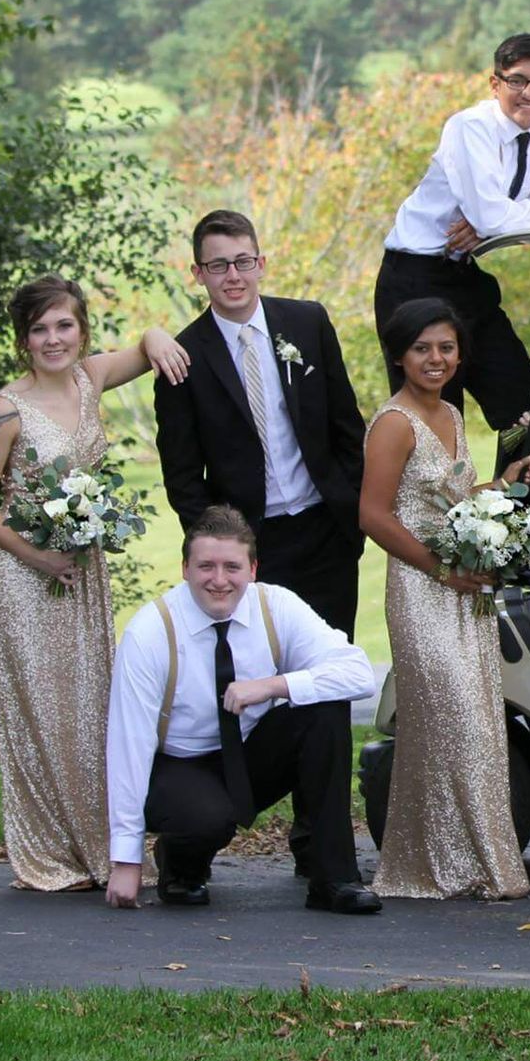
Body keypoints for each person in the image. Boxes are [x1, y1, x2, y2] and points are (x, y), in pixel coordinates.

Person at [0, 275, 190, 892]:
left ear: (81, 328)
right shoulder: (5, 408)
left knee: (92, 707)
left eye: (64, 325)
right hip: (21, 575)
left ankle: (99, 846)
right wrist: (37, 557)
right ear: (23, 340)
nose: (53, 339)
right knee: (40, 709)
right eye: (39, 329)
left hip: (81, 572)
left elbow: (148, 347)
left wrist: (155, 331)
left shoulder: (91, 379)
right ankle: (48, 854)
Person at [156, 208, 367, 875]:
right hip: (249, 554)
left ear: (261, 262)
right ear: (199, 274)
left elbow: (346, 425)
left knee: (326, 691)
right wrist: (223, 551)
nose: (233, 275)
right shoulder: (184, 357)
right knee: (246, 692)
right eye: (218, 265)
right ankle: (200, 830)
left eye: (243, 260)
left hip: (323, 536)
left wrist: (349, 517)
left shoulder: (306, 322)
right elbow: (183, 478)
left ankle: (322, 852)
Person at [104, 506, 381, 915]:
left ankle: (333, 878)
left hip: (250, 754)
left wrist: (274, 685)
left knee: (323, 709)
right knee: (204, 819)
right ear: (184, 568)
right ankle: (180, 865)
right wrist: (125, 861)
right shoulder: (150, 632)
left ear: (253, 569)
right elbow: (128, 746)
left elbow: (359, 673)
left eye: (232, 567)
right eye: (206, 566)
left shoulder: (276, 606)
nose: (219, 580)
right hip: (180, 764)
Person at [359, 299, 530, 901]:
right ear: (400, 355)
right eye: (422, 349)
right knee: (451, 717)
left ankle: (450, 859)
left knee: (478, 722)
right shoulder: (393, 422)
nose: (436, 359)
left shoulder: (453, 415)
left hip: (467, 590)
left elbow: (450, 499)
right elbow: (374, 515)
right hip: (421, 589)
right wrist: (440, 570)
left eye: (446, 348)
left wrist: (499, 490)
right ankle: (456, 862)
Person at [374, 32, 530, 432]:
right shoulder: (469, 126)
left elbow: (510, 218)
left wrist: (501, 224)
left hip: (464, 274)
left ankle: (516, 497)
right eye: (517, 80)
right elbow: (503, 215)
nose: (529, 93)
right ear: (495, 84)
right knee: (436, 419)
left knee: (527, 409)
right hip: (413, 278)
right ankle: (439, 497)